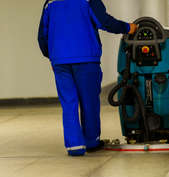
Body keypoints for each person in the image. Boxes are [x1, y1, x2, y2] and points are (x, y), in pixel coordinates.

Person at [38, 0, 137, 157]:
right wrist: (127, 28)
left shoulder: (50, 2)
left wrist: (52, 56)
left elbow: (42, 35)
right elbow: (104, 21)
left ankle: (74, 146)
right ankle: (91, 141)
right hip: (86, 59)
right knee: (89, 101)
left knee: (68, 102)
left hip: (60, 61)